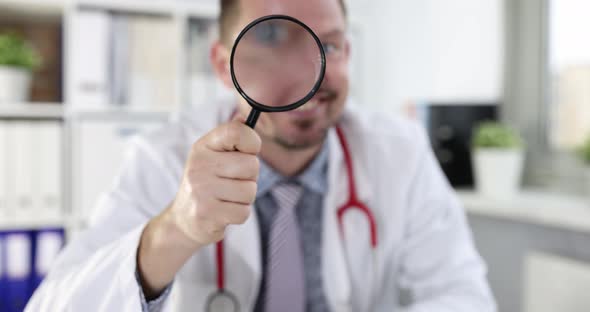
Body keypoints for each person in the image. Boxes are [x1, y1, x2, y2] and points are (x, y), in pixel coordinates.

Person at [26, 0, 496, 311]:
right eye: (270, 40)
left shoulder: (401, 152)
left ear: (348, 53)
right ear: (221, 65)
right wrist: (173, 231)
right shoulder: (160, 158)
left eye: (326, 46)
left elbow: (462, 295)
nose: (303, 74)